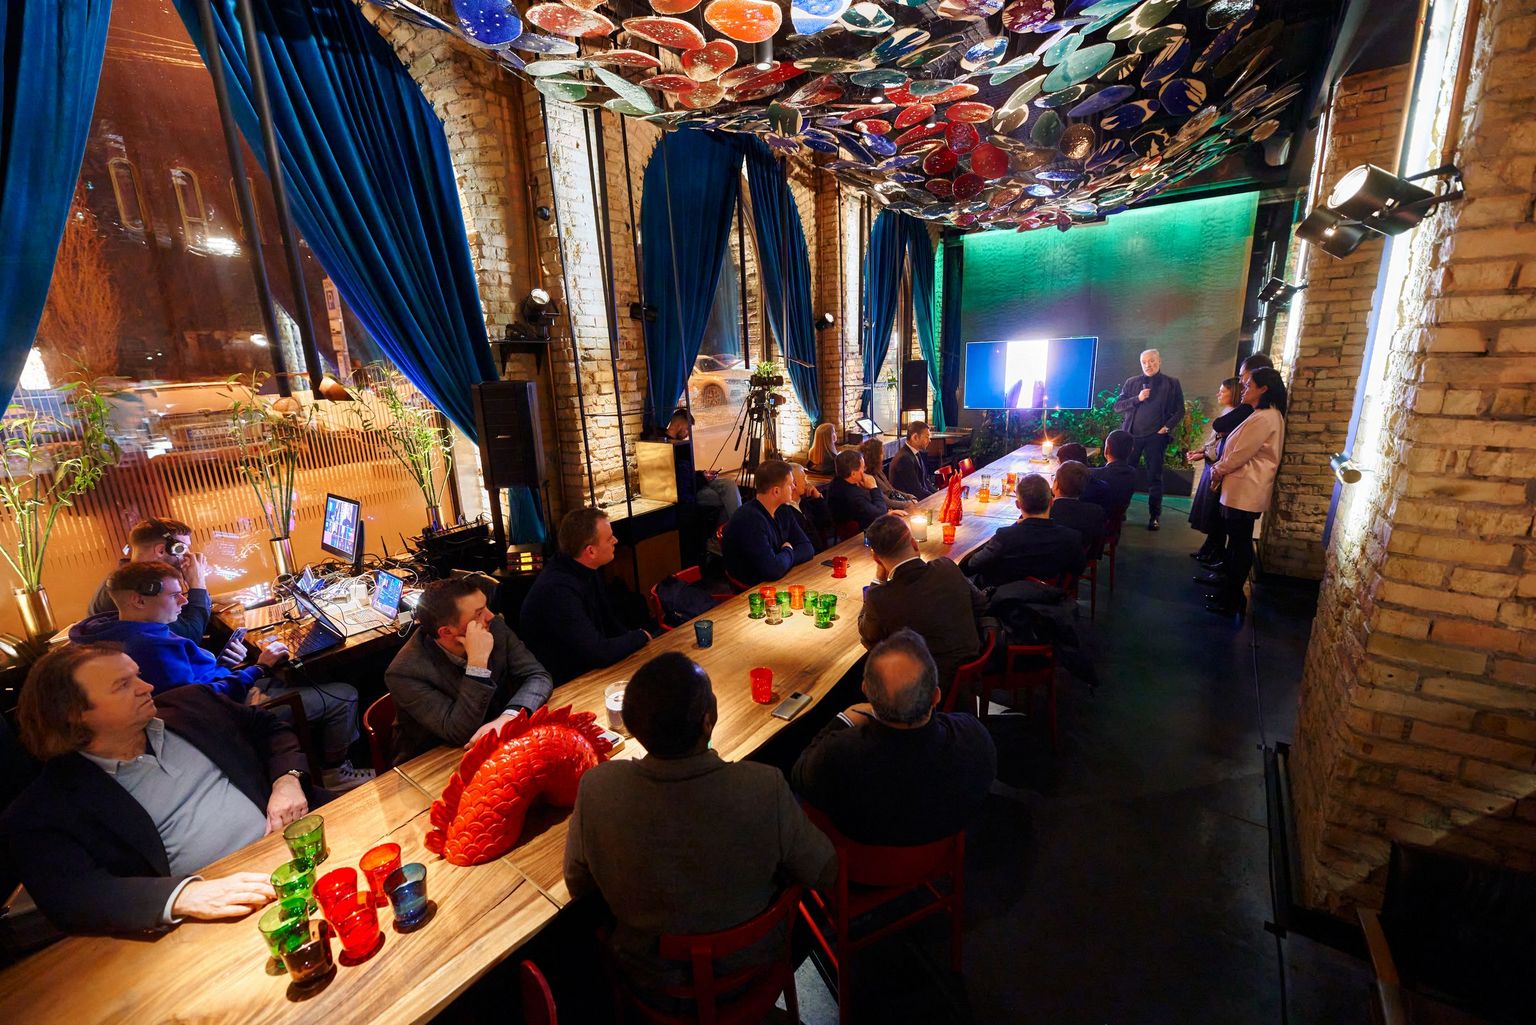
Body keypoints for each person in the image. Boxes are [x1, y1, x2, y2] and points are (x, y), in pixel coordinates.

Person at [564, 651, 836, 989]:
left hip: (650, 979)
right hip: (752, 968)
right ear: (709, 721)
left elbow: (579, 884)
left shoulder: (597, 788)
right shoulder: (765, 787)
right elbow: (824, 871)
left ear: (632, 725)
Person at [0, 644, 309, 934]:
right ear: (73, 713)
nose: (146, 687)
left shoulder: (190, 703)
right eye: (123, 685)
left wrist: (287, 779)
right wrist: (182, 896)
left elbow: (269, 728)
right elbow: (70, 895)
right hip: (222, 907)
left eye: (137, 675)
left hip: (298, 842)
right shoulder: (41, 810)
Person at [69, 562, 371, 790]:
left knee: (300, 676)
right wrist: (259, 668)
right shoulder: (148, 646)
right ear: (138, 600)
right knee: (343, 695)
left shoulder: (117, 629)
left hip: (225, 687)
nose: (184, 601)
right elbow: (199, 702)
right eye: (175, 595)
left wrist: (224, 664)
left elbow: (194, 682)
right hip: (225, 711)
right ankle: (334, 773)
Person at [791, 630, 996, 846]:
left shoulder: (837, 754)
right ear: (936, 696)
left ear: (866, 691)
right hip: (941, 853)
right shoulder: (973, 738)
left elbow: (799, 775)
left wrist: (843, 720)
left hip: (858, 857)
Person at [386, 576, 554, 762]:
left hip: (498, 746)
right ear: (446, 632)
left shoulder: (493, 627)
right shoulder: (404, 672)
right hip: (434, 762)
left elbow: (538, 676)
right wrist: (477, 665)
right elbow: (458, 731)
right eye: (479, 613)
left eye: (486, 606)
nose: (491, 616)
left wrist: (509, 717)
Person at [519, 508, 650, 685]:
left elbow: (609, 623)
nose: (616, 541)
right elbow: (597, 653)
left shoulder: (585, 568)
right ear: (591, 551)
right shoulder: (557, 591)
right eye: (609, 538)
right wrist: (640, 636)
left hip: (588, 667)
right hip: (566, 683)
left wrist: (633, 638)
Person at [859, 515, 986, 692]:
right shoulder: (947, 566)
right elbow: (980, 602)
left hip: (924, 688)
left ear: (876, 559)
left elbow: (867, 635)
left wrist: (877, 581)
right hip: (972, 668)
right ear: (914, 544)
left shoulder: (880, 597)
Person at [87, 519, 241, 663]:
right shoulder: (142, 589)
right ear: (161, 550)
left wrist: (210, 599)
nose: (189, 556)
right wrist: (198, 583)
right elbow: (189, 637)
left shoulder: (125, 579)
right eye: (183, 549)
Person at [1205, 367, 1288, 615]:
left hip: (1246, 489)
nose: (1243, 389)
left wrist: (1218, 469)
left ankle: (1233, 598)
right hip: (1243, 488)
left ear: (1263, 389)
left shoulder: (1265, 417)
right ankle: (1229, 594)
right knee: (1236, 544)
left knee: (1239, 546)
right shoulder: (1263, 415)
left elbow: (1240, 454)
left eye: (1249, 385)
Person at [964, 474, 1085, 588]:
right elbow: (1078, 569)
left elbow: (973, 565)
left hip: (1004, 598)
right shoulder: (1071, 537)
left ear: (1018, 504)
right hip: (1052, 597)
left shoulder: (1006, 537)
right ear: (1051, 502)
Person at [1111, 349, 1185, 530]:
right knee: (1125, 475)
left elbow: (1180, 410)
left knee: (1155, 478)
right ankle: (1120, 511)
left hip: (1156, 438)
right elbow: (1117, 406)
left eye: (1151, 361)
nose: (1148, 365)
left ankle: (1154, 516)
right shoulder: (1132, 383)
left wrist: (1167, 427)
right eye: (1144, 362)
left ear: (1159, 361)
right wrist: (1137, 398)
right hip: (1131, 437)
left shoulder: (1171, 383)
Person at [720, 459, 815, 587]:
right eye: (790, 484)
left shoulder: (783, 510)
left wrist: (784, 558)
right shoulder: (749, 520)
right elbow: (773, 570)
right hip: (754, 591)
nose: (794, 487)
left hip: (780, 579)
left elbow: (807, 548)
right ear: (776, 491)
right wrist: (788, 549)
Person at [1187, 377, 1242, 563]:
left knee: (1214, 512)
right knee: (1210, 511)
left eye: (1223, 391)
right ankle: (1210, 548)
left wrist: (1204, 453)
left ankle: (1214, 551)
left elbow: (1222, 445)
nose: (1218, 394)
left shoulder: (1235, 416)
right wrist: (1202, 452)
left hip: (1217, 467)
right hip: (1212, 464)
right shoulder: (1228, 412)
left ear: (1233, 393)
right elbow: (1214, 441)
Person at [1050, 460, 1107, 562]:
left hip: (1049, 565)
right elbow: (1096, 547)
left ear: (1055, 485)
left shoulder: (1046, 513)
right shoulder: (1096, 512)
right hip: (1080, 562)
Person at [828, 449, 891, 531]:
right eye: (863, 468)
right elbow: (879, 514)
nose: (865, 470)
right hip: (860, 534)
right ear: (853, 474)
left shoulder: (837, 482)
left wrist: (887, 513)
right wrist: (874, 488)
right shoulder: (852, 495)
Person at [1084, 429, 1136, 520]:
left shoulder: (1094, 474)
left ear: (1106, 450)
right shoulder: (1133, 473)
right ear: (1131, 450)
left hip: (1096, 521)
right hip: (1116, 520)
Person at [784, 463, 834, 551]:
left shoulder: (804, 502)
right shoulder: (785, 510)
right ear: (793, 483)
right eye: (804, 478)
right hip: (807, 555)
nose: (807, 483)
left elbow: (827, 523)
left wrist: (818, 498)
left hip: (820, 551)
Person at [859, 438, 918, 511]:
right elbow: (886, 501)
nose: (883, 455)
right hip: (887, 510)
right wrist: (908, 504)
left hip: (896, 504)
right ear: (875, 456)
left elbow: (891, 490)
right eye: (881, 453)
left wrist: (909, 496)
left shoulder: (878, 471)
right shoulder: (867, 477)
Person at [888, 421, 935, 499]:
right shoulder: (904, 459)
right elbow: (916, 491)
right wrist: (935, 499)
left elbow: (926, 482)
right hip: (909, 502)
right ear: (915, 437)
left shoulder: (916, 453)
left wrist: (938, 495)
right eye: (927, 437)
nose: (929, 440)